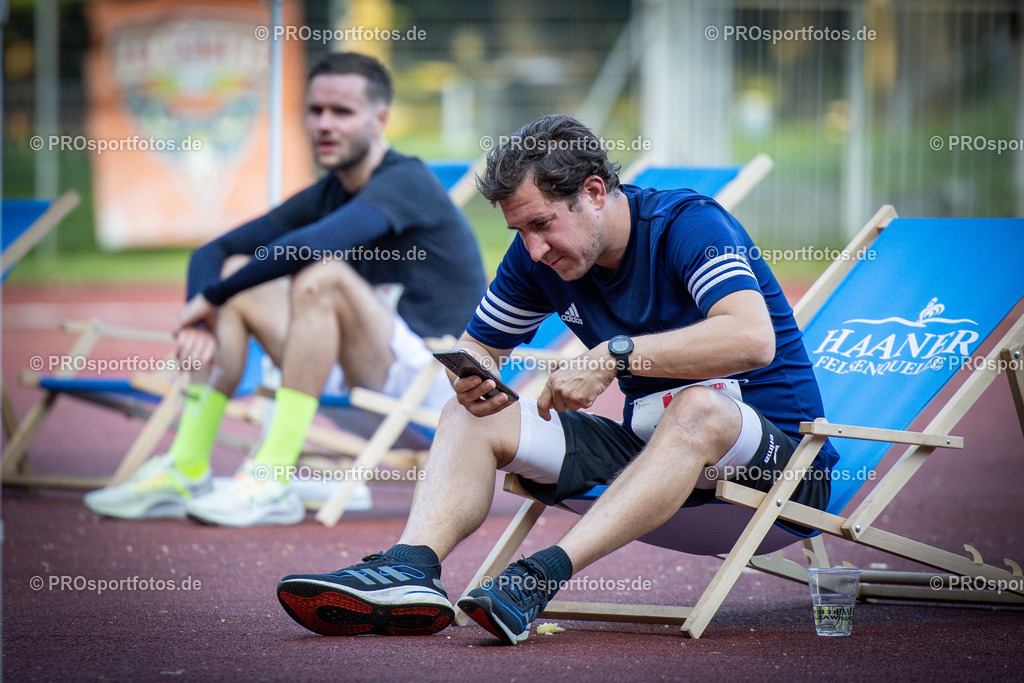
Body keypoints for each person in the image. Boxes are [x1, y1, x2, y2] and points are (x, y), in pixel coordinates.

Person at [275, 114, 839, 642]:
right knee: (472, 415)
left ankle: (539, 577)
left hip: (779, 479)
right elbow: (479, 345)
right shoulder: (538, 255)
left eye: (542, 224)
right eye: (519, 230)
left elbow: (751, 338)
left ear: (594, 192)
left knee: (698, 408)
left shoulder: (689, 224)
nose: (533, 248)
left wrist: (613, 356)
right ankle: (410, 568)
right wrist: (476, 377)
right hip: (651, 469)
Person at [84, 52, 487, 526]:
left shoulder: (407, 180)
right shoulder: (330, 191)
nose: (323, 124)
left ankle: (273, 476)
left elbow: (314, 244)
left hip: (437, 389)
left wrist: (209, 299)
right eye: (315, 111)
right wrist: (205, 315)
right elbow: (215, 250)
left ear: (380, 119)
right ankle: (187, 466)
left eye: (341, 112)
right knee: (238, 275)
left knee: (323, 274)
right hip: (360, 380)